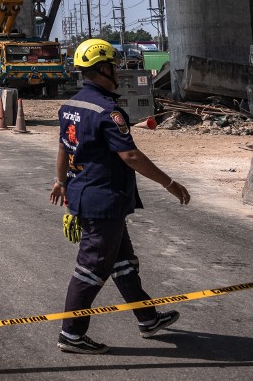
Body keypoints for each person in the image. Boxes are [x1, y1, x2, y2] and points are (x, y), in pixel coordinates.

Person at [50, 38, 191, 354]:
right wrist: (169, 183)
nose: (117, 70)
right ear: (102, 69)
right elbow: (130, 156)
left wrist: (60, 182)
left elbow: (63, 148)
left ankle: (148, 318)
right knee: (92, 267)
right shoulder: (108, 110)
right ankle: (71, 334)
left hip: (86, 194)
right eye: (113, 65)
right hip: (104, 201)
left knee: (124, 262)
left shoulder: (71, 106)